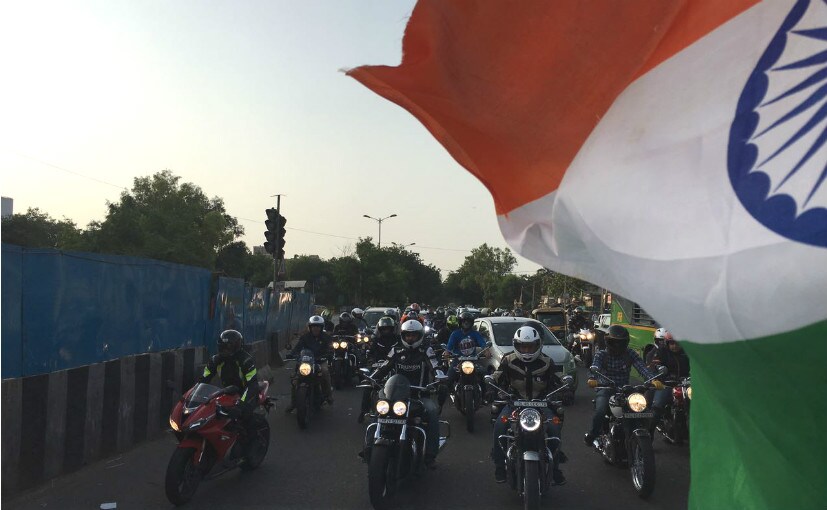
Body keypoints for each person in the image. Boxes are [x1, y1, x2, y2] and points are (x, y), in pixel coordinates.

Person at [489, 326, 567, 484]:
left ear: (538, 345)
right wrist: (490, 384)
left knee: (554, 429)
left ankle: (555, 469)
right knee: (499, 427)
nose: (526, 350)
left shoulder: (546, 362)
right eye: (523, 346)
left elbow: (559, 377)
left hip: (542, 404)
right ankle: (499, 465)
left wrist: (566, 387)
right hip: (514, 403)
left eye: (530, 346)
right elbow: (497, 375)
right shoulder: (508, 360)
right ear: (516, 345)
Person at [370, 320, 444, 467]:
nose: (410, 338)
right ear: (403, 335)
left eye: (414, 335)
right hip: (395, 395)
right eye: (407, 335)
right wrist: (373, 377)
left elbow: (435, 365)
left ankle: (430, 454)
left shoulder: (425, 350)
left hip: (419, 395)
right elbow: (385, 366)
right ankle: (369, 447)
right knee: (378, 411)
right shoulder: (396, 350)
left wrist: (439, 377)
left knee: (432, 412)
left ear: (420, 336)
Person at [584, 325, 664, 445]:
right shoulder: (601, 354)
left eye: (621, 343)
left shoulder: (630, 353)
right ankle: (593, 435)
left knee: (644, 411)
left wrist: (652, 379)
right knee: (600, 411)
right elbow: (595, 367)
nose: (618, 346)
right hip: (606, 388)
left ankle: (642, 433)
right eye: (614, 342)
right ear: (608, 342)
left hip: (626, 389)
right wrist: (592, 378)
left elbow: (642, 367)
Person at [199, 329, 260, 453]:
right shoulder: (215, 360)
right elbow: (203, 380)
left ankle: (252, 446)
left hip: (246, 392)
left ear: (237, 346)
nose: (225, 350)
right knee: (214, 415)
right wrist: (194, 395)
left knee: (245, 417)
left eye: (229, 347)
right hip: (228, 392)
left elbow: (253, 385)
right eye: (223, 347)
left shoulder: (246, 360)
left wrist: (241, 405)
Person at [357, 316, 401, 423]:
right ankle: (363, 412)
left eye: (388, 329)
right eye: (384, 329)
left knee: (401, 385)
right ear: (380, 330)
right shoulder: (376, 341)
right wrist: (370, 360)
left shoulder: (398, 340)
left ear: (392, 329)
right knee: (368, 386)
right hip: (378, 368)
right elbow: (370, 354)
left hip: (394, 367)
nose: (386, 331)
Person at [286, 315, 334, 411]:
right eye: (313, 326)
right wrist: (292, 354)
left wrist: (329, 354)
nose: (315, 328)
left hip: (320, 361)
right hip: (306, 361)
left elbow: (330, 349)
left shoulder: (326, 337)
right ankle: (293, 403)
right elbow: (298, 348)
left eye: (318, 326)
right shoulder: (305, 337)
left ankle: (328, 395)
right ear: (310, 327)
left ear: (321, 327)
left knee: (324, 371)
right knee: (295, 379)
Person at [650, 333, 690, 426]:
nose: (675, 346)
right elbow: (655, 363)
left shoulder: (686, 353)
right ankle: (650, 430)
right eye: (672, 343)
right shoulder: (661, 351)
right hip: (665, 384)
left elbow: (695, 364)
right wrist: (659, 367)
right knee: (658, 405)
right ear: (667, 343)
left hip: (684, 383)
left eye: (678, 343)